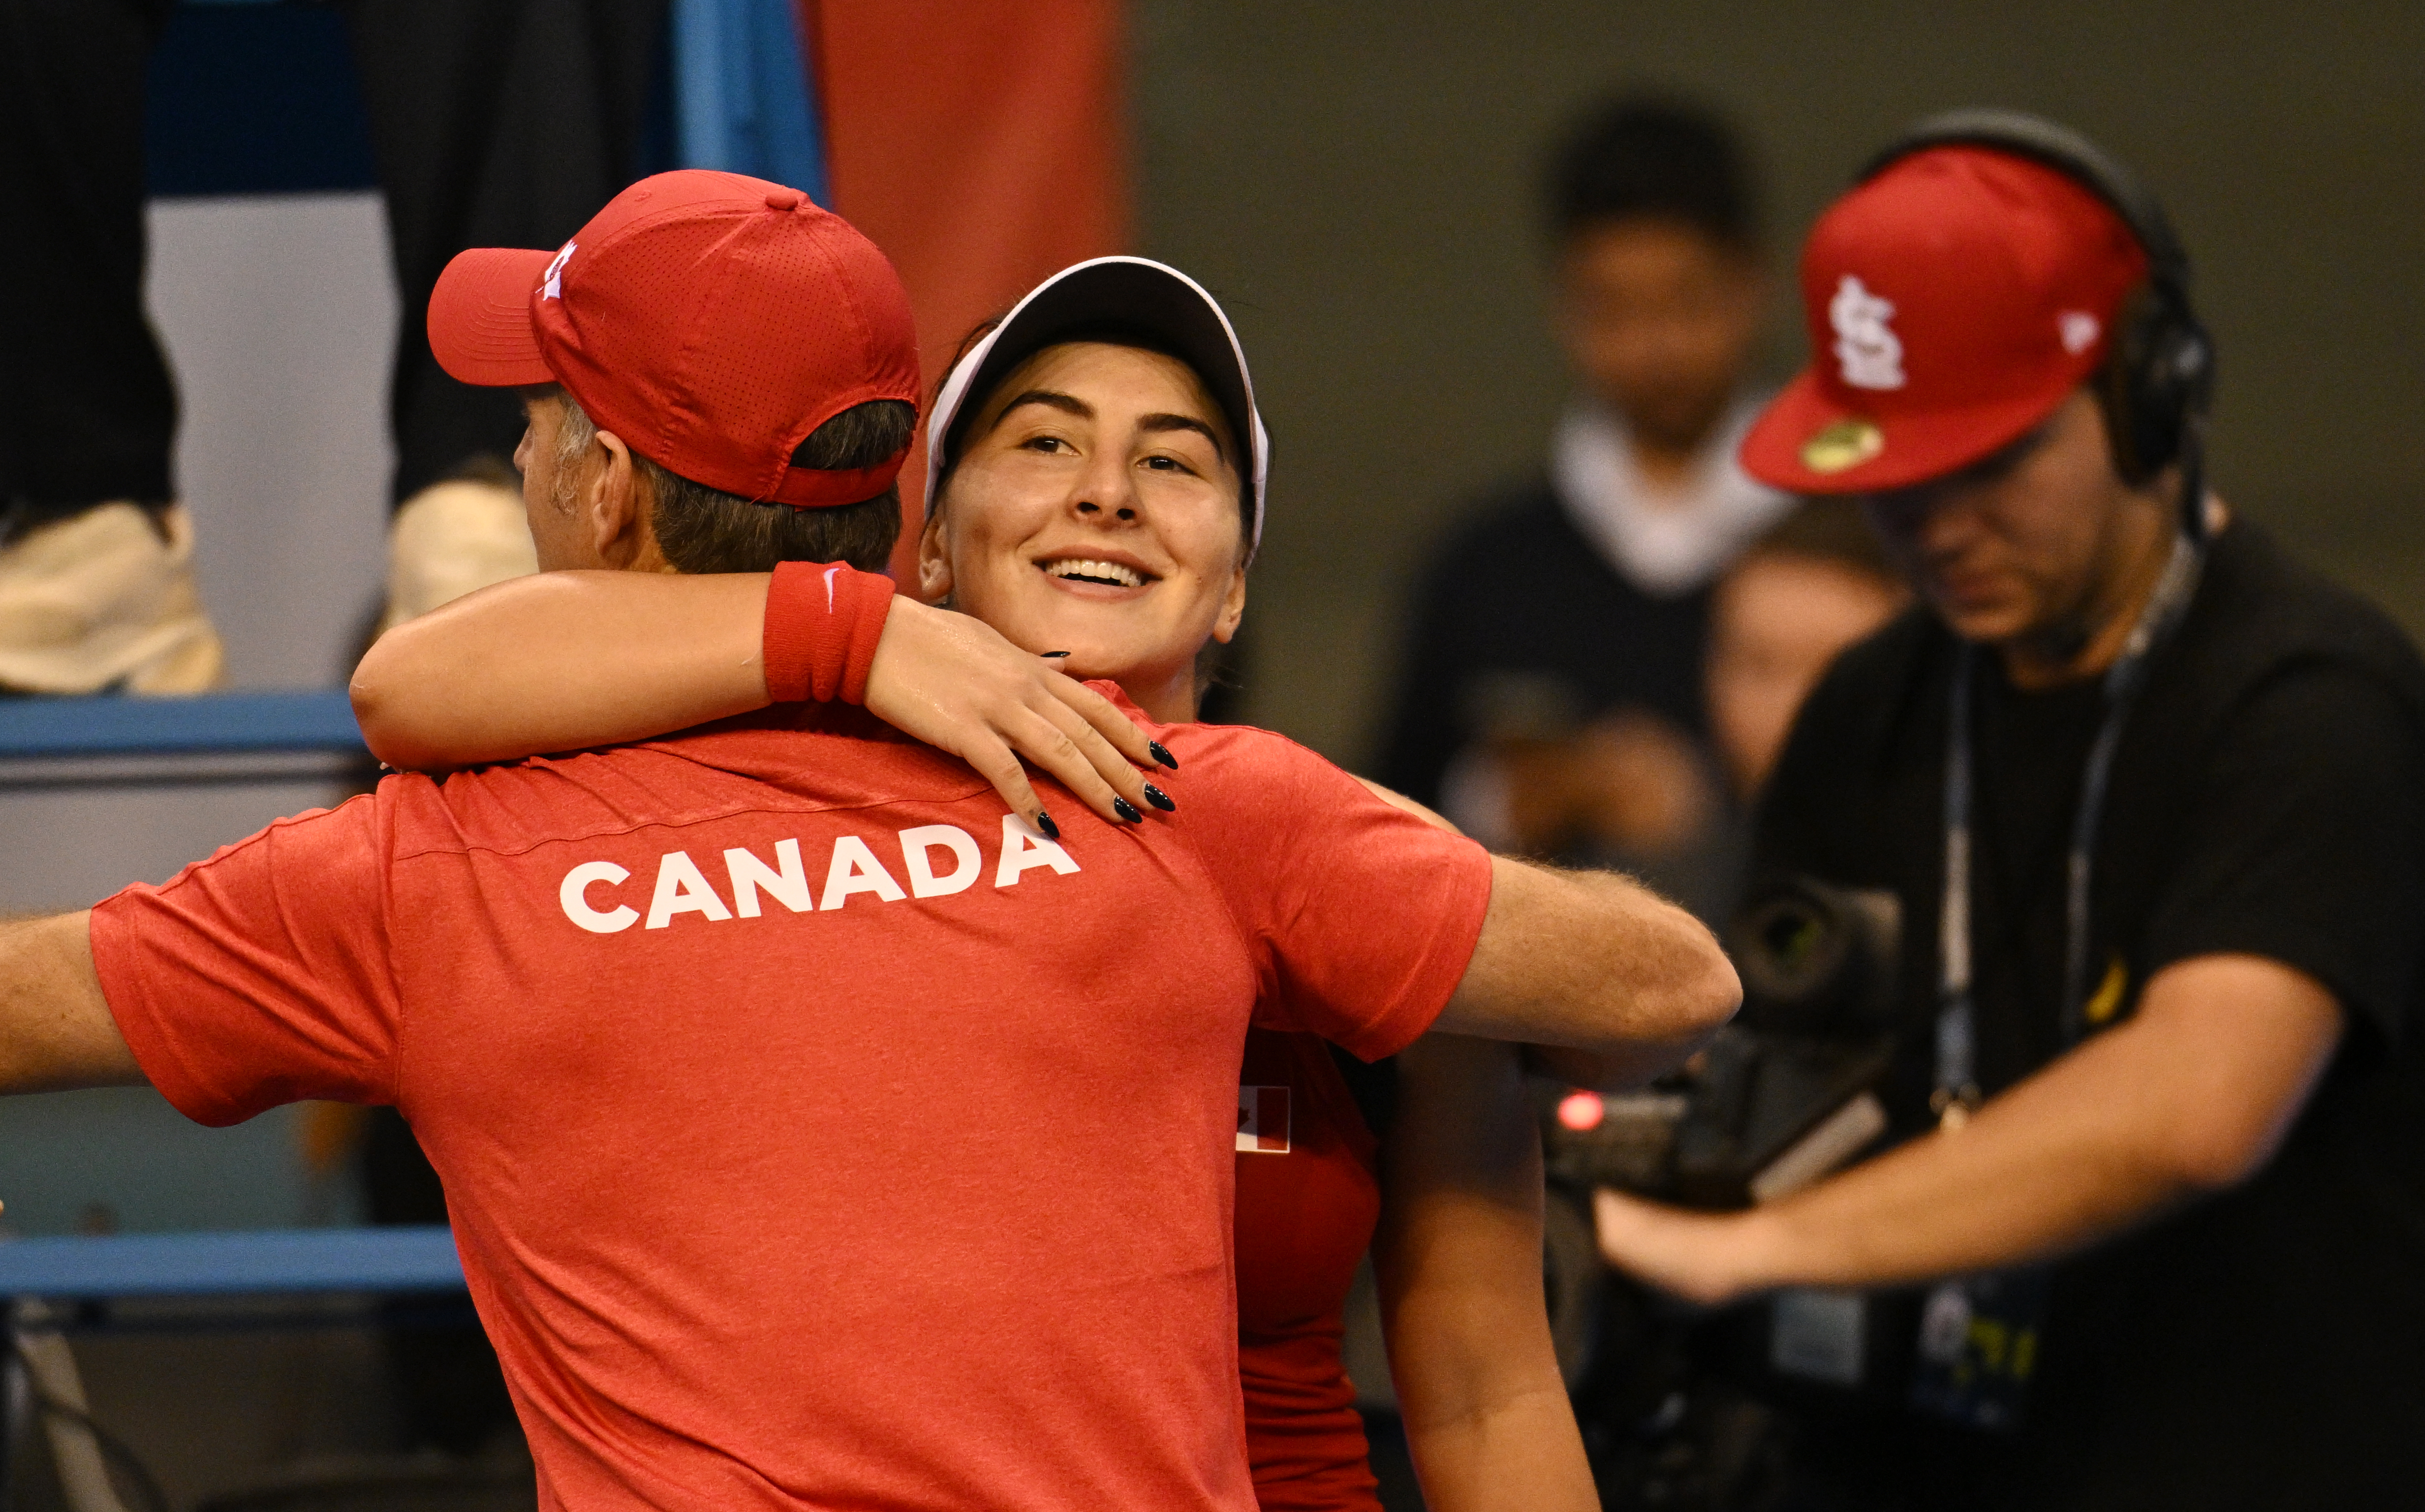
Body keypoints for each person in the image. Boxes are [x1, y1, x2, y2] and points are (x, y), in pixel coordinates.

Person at [1, 173, 1739, 1511]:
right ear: (920, 541)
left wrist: (1366, 883)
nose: (1105, 493)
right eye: (1042, 443)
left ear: (604, 489)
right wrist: (848, 639)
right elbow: (414, 680)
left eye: (531, 426)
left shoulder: (429, 871)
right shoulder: (1214, 823)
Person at [1591, 112, 2425, 1508]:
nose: (1937, 524)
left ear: (2149, 395)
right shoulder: (1872, 704)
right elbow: (1789, 1071)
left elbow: (2201, 1102)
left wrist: (1752, 1253)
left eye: (1991, 460)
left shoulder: (2311, 700)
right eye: (1896, 477)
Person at [1377, 96, 1787, 898]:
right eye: (1614, 309)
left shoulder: (1839, 547)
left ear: (1752, 288)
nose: (1656, 347)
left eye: (1686, 301)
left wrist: (1707, 808)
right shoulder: (1483, 568)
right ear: (1563, 306)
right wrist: (1510, 803)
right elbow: (1380, 821)